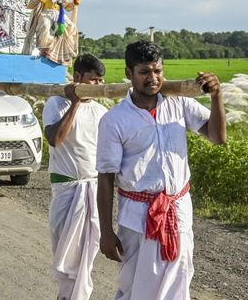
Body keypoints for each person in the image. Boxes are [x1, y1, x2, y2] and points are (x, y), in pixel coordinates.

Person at [96, 41, 226, 300]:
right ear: (128, 73)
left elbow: (218, 137)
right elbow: (106, 178)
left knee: (178, 284)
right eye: (144, 72)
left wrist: (216, 96)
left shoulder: (180, 104)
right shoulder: (114, 120)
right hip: (137, 217)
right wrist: (106, 233)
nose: (153, 78)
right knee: (136, 287)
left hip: (178, 211)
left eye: (158, 71)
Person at [42, 54, 108, 300]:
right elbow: (55, 139)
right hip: (66, 191)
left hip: (93, 191)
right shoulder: (56, 103)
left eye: (101, 80)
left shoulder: (102, 111)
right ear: (78, 77)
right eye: (93, 80)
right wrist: (75, 103)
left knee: (86, 261)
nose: (97, 85)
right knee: (67, 260)